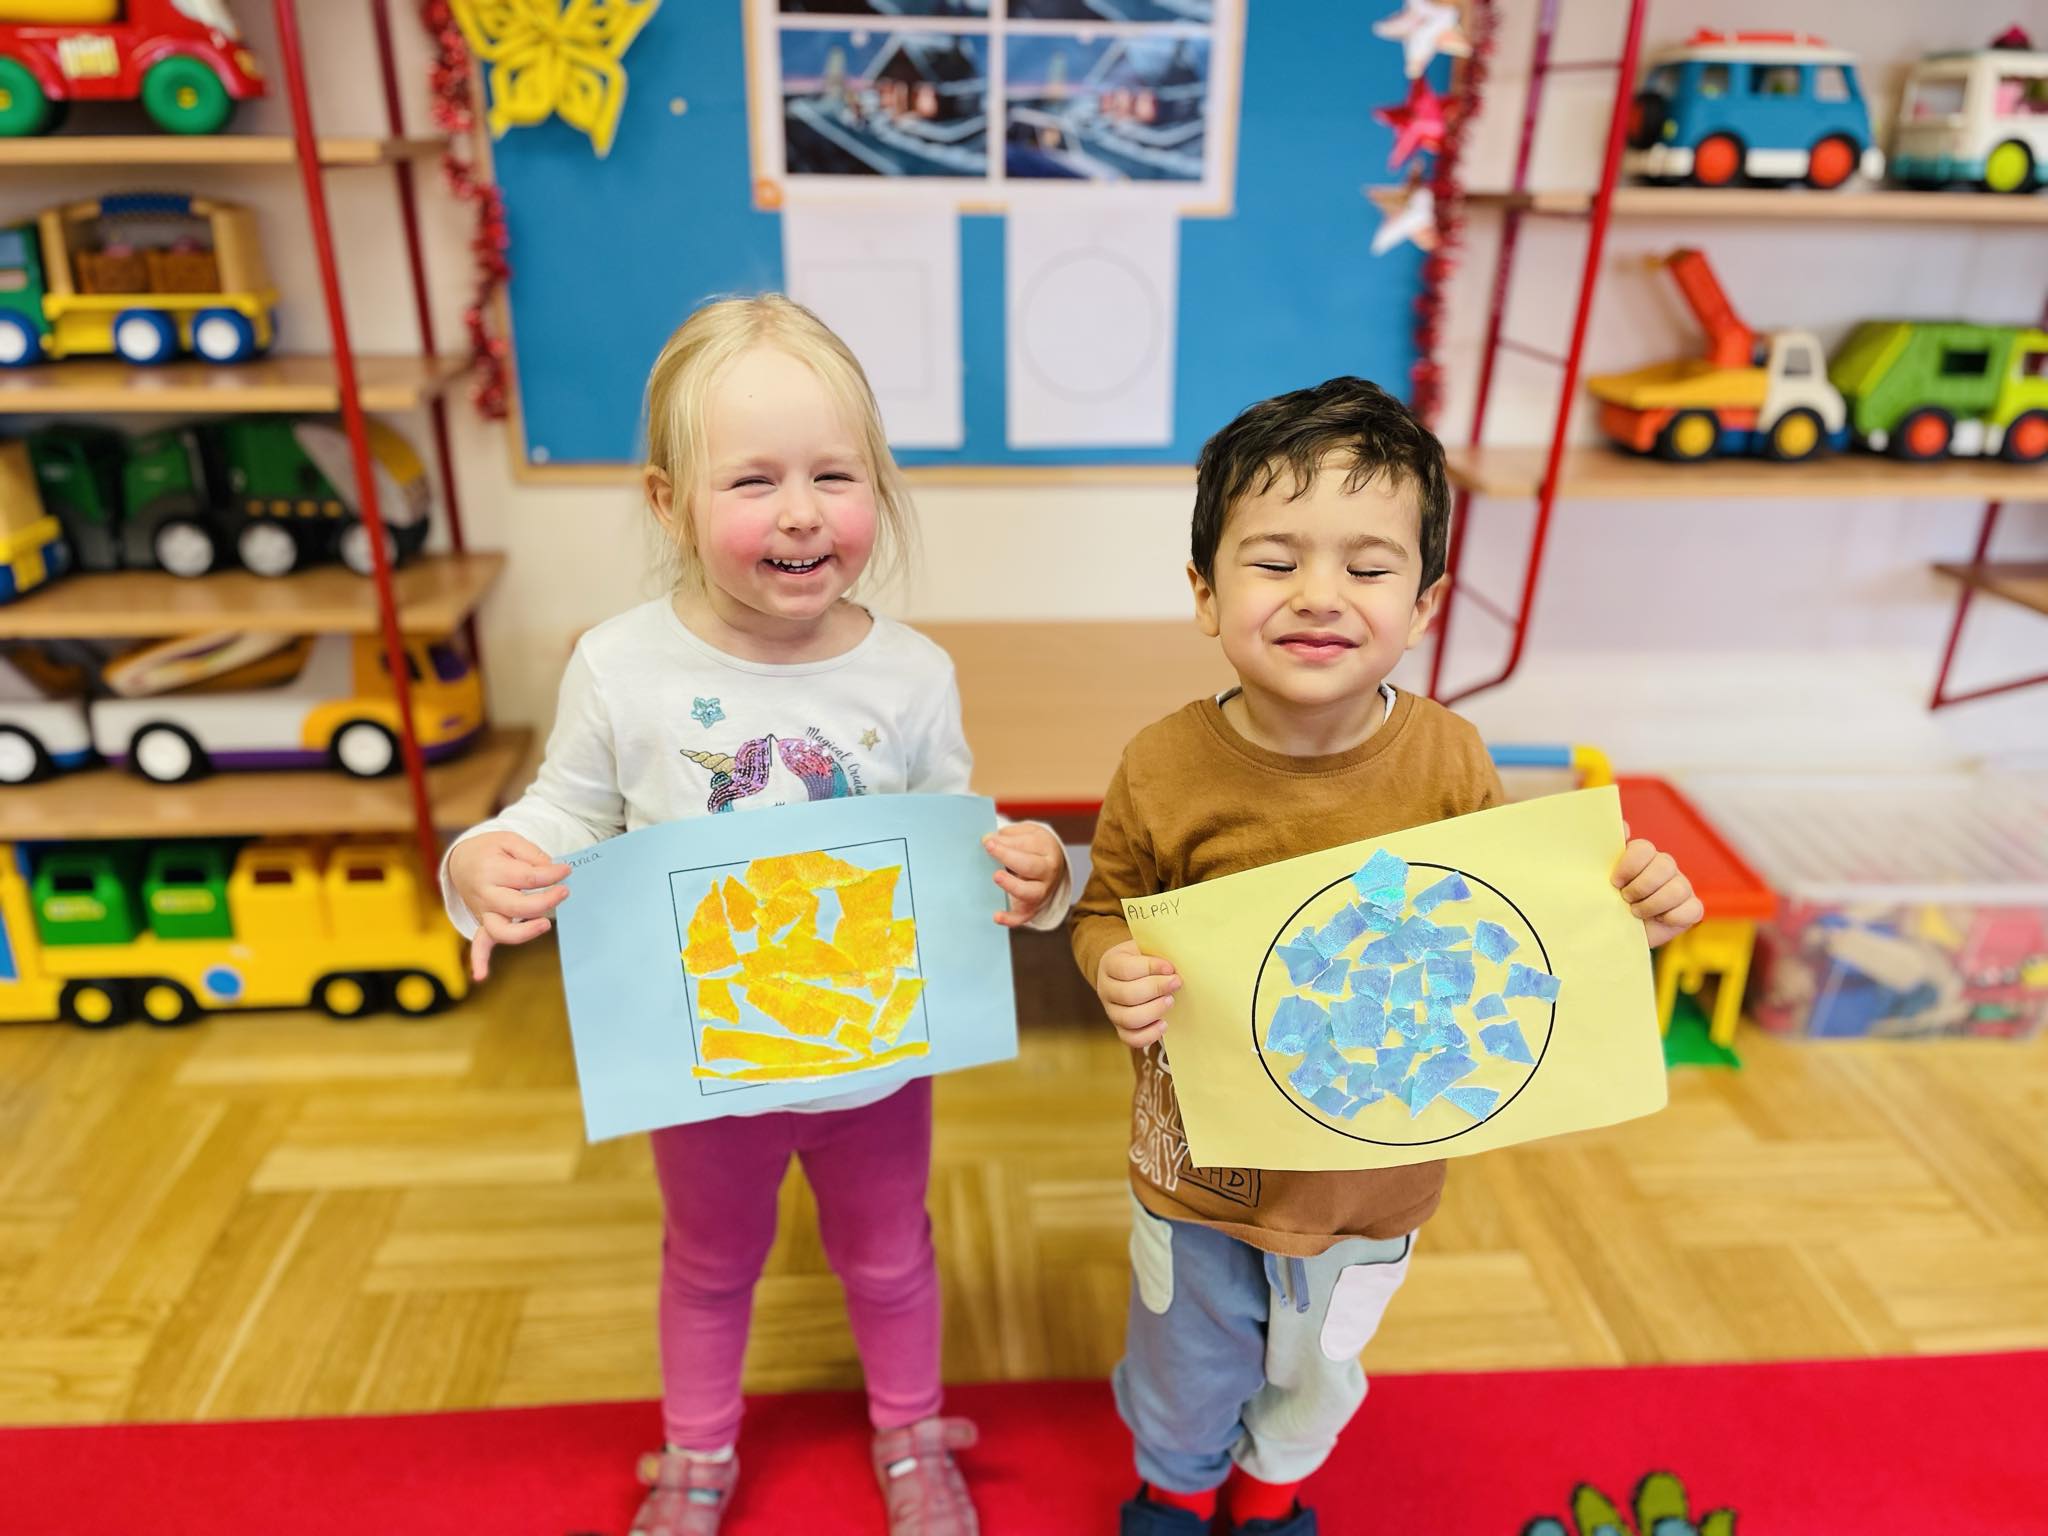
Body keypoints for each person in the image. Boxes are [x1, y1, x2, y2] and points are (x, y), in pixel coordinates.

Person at [444, 294, 1071, 1536]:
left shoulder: (911, 673)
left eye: (834, 475)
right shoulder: (618, 666)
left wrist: (1033, 872)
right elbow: (564, 808)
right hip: (704, 1061)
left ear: (876, 488)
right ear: (667, 502)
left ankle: (909, 1432)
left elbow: (953, 834)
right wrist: (479, 856)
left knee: (889, 1254)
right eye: (752, 480)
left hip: (872, 1056)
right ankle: (696, 1453)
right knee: (708, 1260)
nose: (799, 512)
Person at [1070, 376, 1702, 1535]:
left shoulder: (1449, 760)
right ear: (1204, 592)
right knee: (1182, 1362)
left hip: (1370, 1185)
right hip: (1195, 1175)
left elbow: (1512, 936)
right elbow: (1102, 909)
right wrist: (1109, 963)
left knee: (1316, 1372)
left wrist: (1629, 915)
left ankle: (1269, 1500)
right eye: (1273, 561)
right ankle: (1173, 1492)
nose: (1318, 594)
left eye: (1366, 568)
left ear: (1421, 606)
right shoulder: (1159, 765)